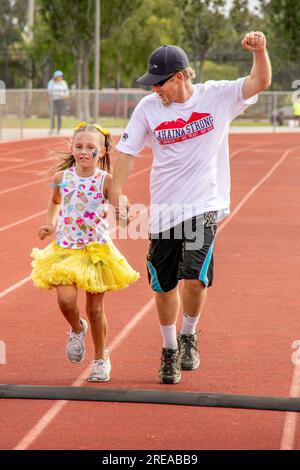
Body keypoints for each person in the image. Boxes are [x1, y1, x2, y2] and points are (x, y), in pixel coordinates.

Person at [112, 32, 272, 384]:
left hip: (204, 204)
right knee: (163, 286)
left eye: (160, 83)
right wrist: (117, 192)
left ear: (180, 77)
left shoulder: (216, 96)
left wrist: (259, 52)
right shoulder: (148, 109)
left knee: (195, 280)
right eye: (152, 84)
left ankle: (188, 335)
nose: (155, 89)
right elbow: (125, 153)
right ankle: (169, 348)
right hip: (164, 212)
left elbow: (260, 80)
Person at [31, 122, 140, 382]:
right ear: (72, 148)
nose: (84, 151)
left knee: (96, 310)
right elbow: (55, 203)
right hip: (66, 249)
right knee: (66, 301)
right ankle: (77, 328)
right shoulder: (62, 178)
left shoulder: (106, 180)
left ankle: (101, 358)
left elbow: (119, 209)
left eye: (90, 147)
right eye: (79, 146)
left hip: (95, 250)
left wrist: (123, 213)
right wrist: (50, 223)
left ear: (101, 152)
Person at [47, 70, 69, 135]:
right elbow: (49, 91)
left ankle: (58, 129)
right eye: (59, 76)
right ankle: (52, 128)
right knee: (52, 114)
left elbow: (67, 93)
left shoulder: (64, 82)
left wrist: (64, 96)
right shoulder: (51, 82)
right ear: (55, 77)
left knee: (59, 115)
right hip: (53, 100)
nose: (60, 77)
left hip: (61, 100)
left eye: (61, 76)